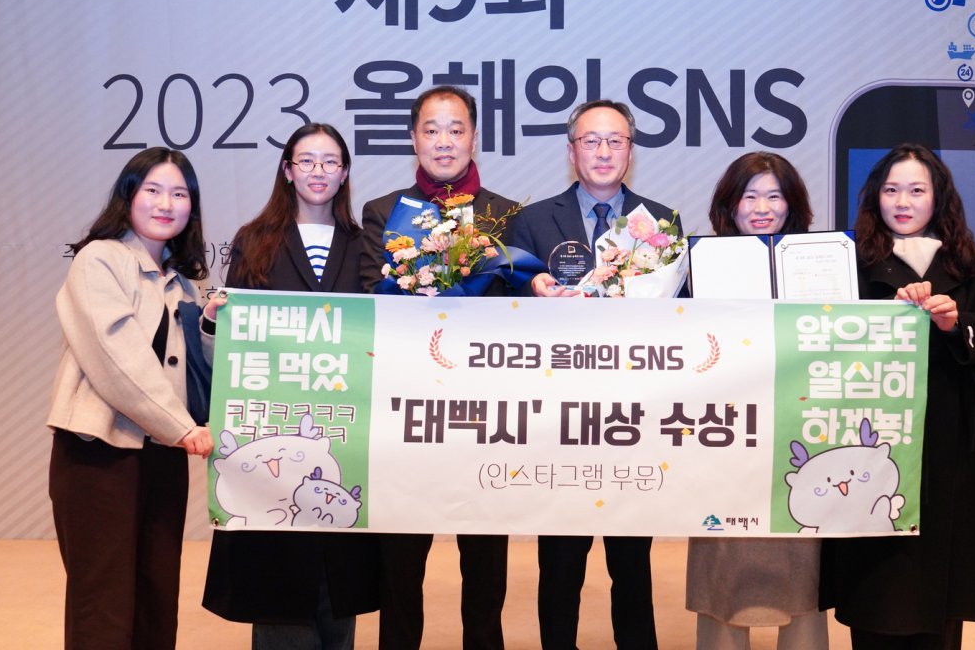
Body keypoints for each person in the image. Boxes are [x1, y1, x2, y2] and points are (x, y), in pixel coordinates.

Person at [819, 144, 975, 649]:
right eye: (891, 190)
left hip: (947, 439)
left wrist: (954, 321)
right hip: (870, 437)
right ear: (875, 197)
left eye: (916, 190)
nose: (902, 201)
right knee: (875, 581)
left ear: (939, 198)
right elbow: (818, 338)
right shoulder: (848, 262)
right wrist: (882, 316)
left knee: (941, 585)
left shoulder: (969, 264)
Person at [508, 99, 681, 650]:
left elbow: (679, 315)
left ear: (631, 151)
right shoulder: (533, 220)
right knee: (560, 564)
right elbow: (501, 302)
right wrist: (529, 288)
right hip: (558, 417)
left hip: (632, 416)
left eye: (615, 141)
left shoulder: (661, 222)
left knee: (632, 563)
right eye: (591, 141)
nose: (603, 152)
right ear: (571, 150)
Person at [201, 123, 379, 649]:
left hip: (344, 436)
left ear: (344, 173)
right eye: (306, 161)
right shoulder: (254, 240)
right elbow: (235, 346)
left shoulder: (364, 244)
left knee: (337, 584)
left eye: (330, 162)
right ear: (287, 170)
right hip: (272, 437)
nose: (318, 171)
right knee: (278, 587)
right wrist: (215, 321)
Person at [360, 85, 516, 650]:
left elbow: (517, 309)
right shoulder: (382, 213)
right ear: (413, 138)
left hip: (485, 412)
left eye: (456, 129)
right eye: (431, 130)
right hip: (409, 410)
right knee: (400, 565)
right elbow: (370, 295)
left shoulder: (505, 214)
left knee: (486, 565)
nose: (444, 141)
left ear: (474, 137)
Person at [47, 147, 218, 650]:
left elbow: (197, 374)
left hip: (162, 454)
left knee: (156, 598)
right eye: (153, 190)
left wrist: (210, 325)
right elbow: (117, 357)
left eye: (179, 194)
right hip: (98, 454)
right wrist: (180, 428)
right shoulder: (99, 260)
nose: (166, 204)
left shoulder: (184, 282)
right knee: (103, 602)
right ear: (128, 196)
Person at [685, 151, 828, 650]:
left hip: (800, 428)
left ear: (793, 204)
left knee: (804, 564)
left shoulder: (821, 264)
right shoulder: (699, 266)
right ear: (730, 203)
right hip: (724, 432)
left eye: (774, 196)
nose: (762, 208)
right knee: (722, 560)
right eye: (749, 196)